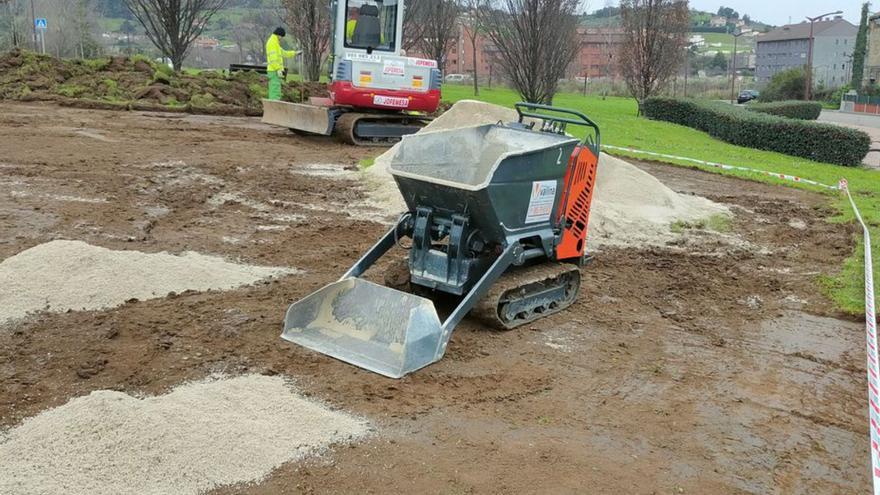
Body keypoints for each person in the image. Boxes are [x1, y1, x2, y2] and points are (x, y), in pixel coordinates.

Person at [265, 27, 299, 101]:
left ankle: (275, 106)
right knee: (275, 90)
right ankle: (274, 107)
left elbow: (284, 53)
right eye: (281, 37)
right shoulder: (272, 43)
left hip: (275, 70)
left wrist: (295, 53)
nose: (281, 38)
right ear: (278, 35)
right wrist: (278, 69)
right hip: (274, 71)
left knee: (276, 89)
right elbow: (273, 59)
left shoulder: (275, 43)